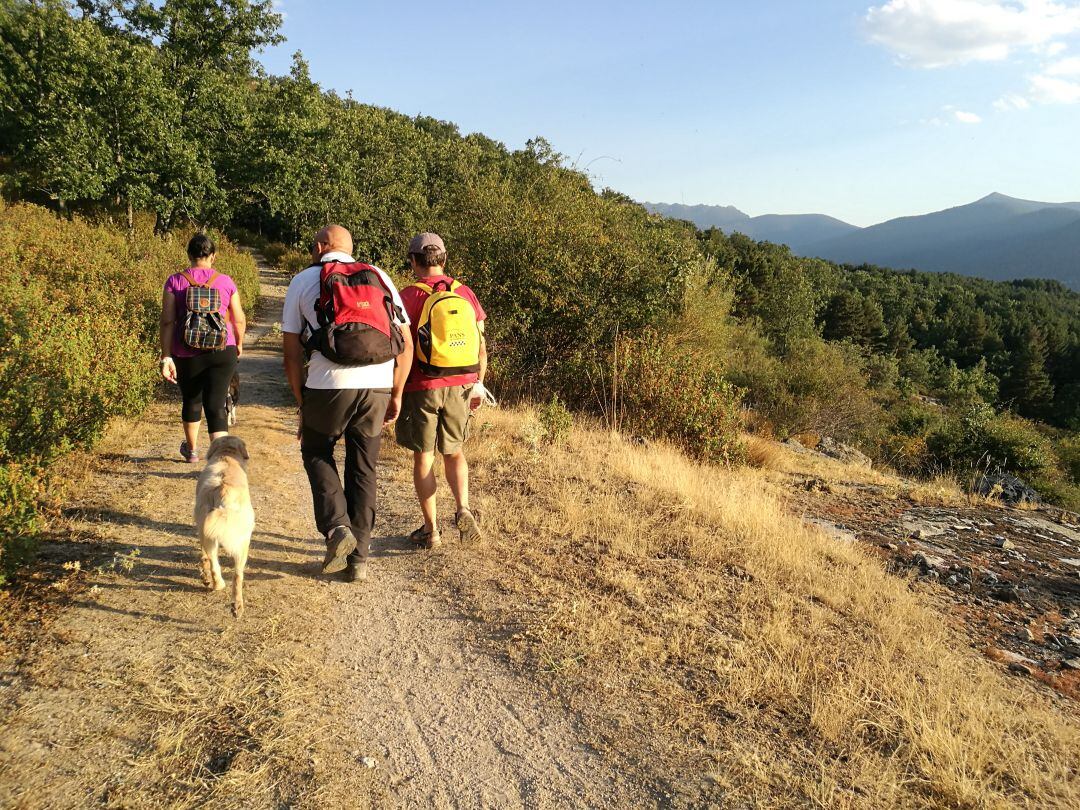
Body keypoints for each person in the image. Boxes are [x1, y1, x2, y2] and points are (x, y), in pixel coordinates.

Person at [281, 224, 413, 583]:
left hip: (327, 384)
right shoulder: (379, 276)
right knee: (363, 466)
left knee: (317, 450)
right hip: (378, 383)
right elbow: (406, 339)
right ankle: (359, 560)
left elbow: (291, 353)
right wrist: (397, 391)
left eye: (314, 244)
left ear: (323, 246)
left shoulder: (303, 281)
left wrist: (301, 401)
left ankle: (337, 526)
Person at [395, 232, 487, 550]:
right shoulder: (465, 293)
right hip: (462, 382)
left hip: (423, 385)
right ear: (444, 259)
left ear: (413, 261)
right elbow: (481, 346)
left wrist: (395, 389)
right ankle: (462, 508)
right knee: (455, 451)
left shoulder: (406, 296)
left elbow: (402, 348)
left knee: (424, 457)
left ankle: (431, 529)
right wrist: (476, 383)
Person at [159, 233, 246, 463]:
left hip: (186, 350)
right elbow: (238, 319)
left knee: (192, 400)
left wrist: (166, 356)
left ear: (189, 255)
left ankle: (192, 450)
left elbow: (167, 321)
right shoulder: (226, 281)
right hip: (221, 349)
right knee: (216, 405)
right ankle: (220, 461)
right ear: (213, 256)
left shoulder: (174, 281)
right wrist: (238, 342)